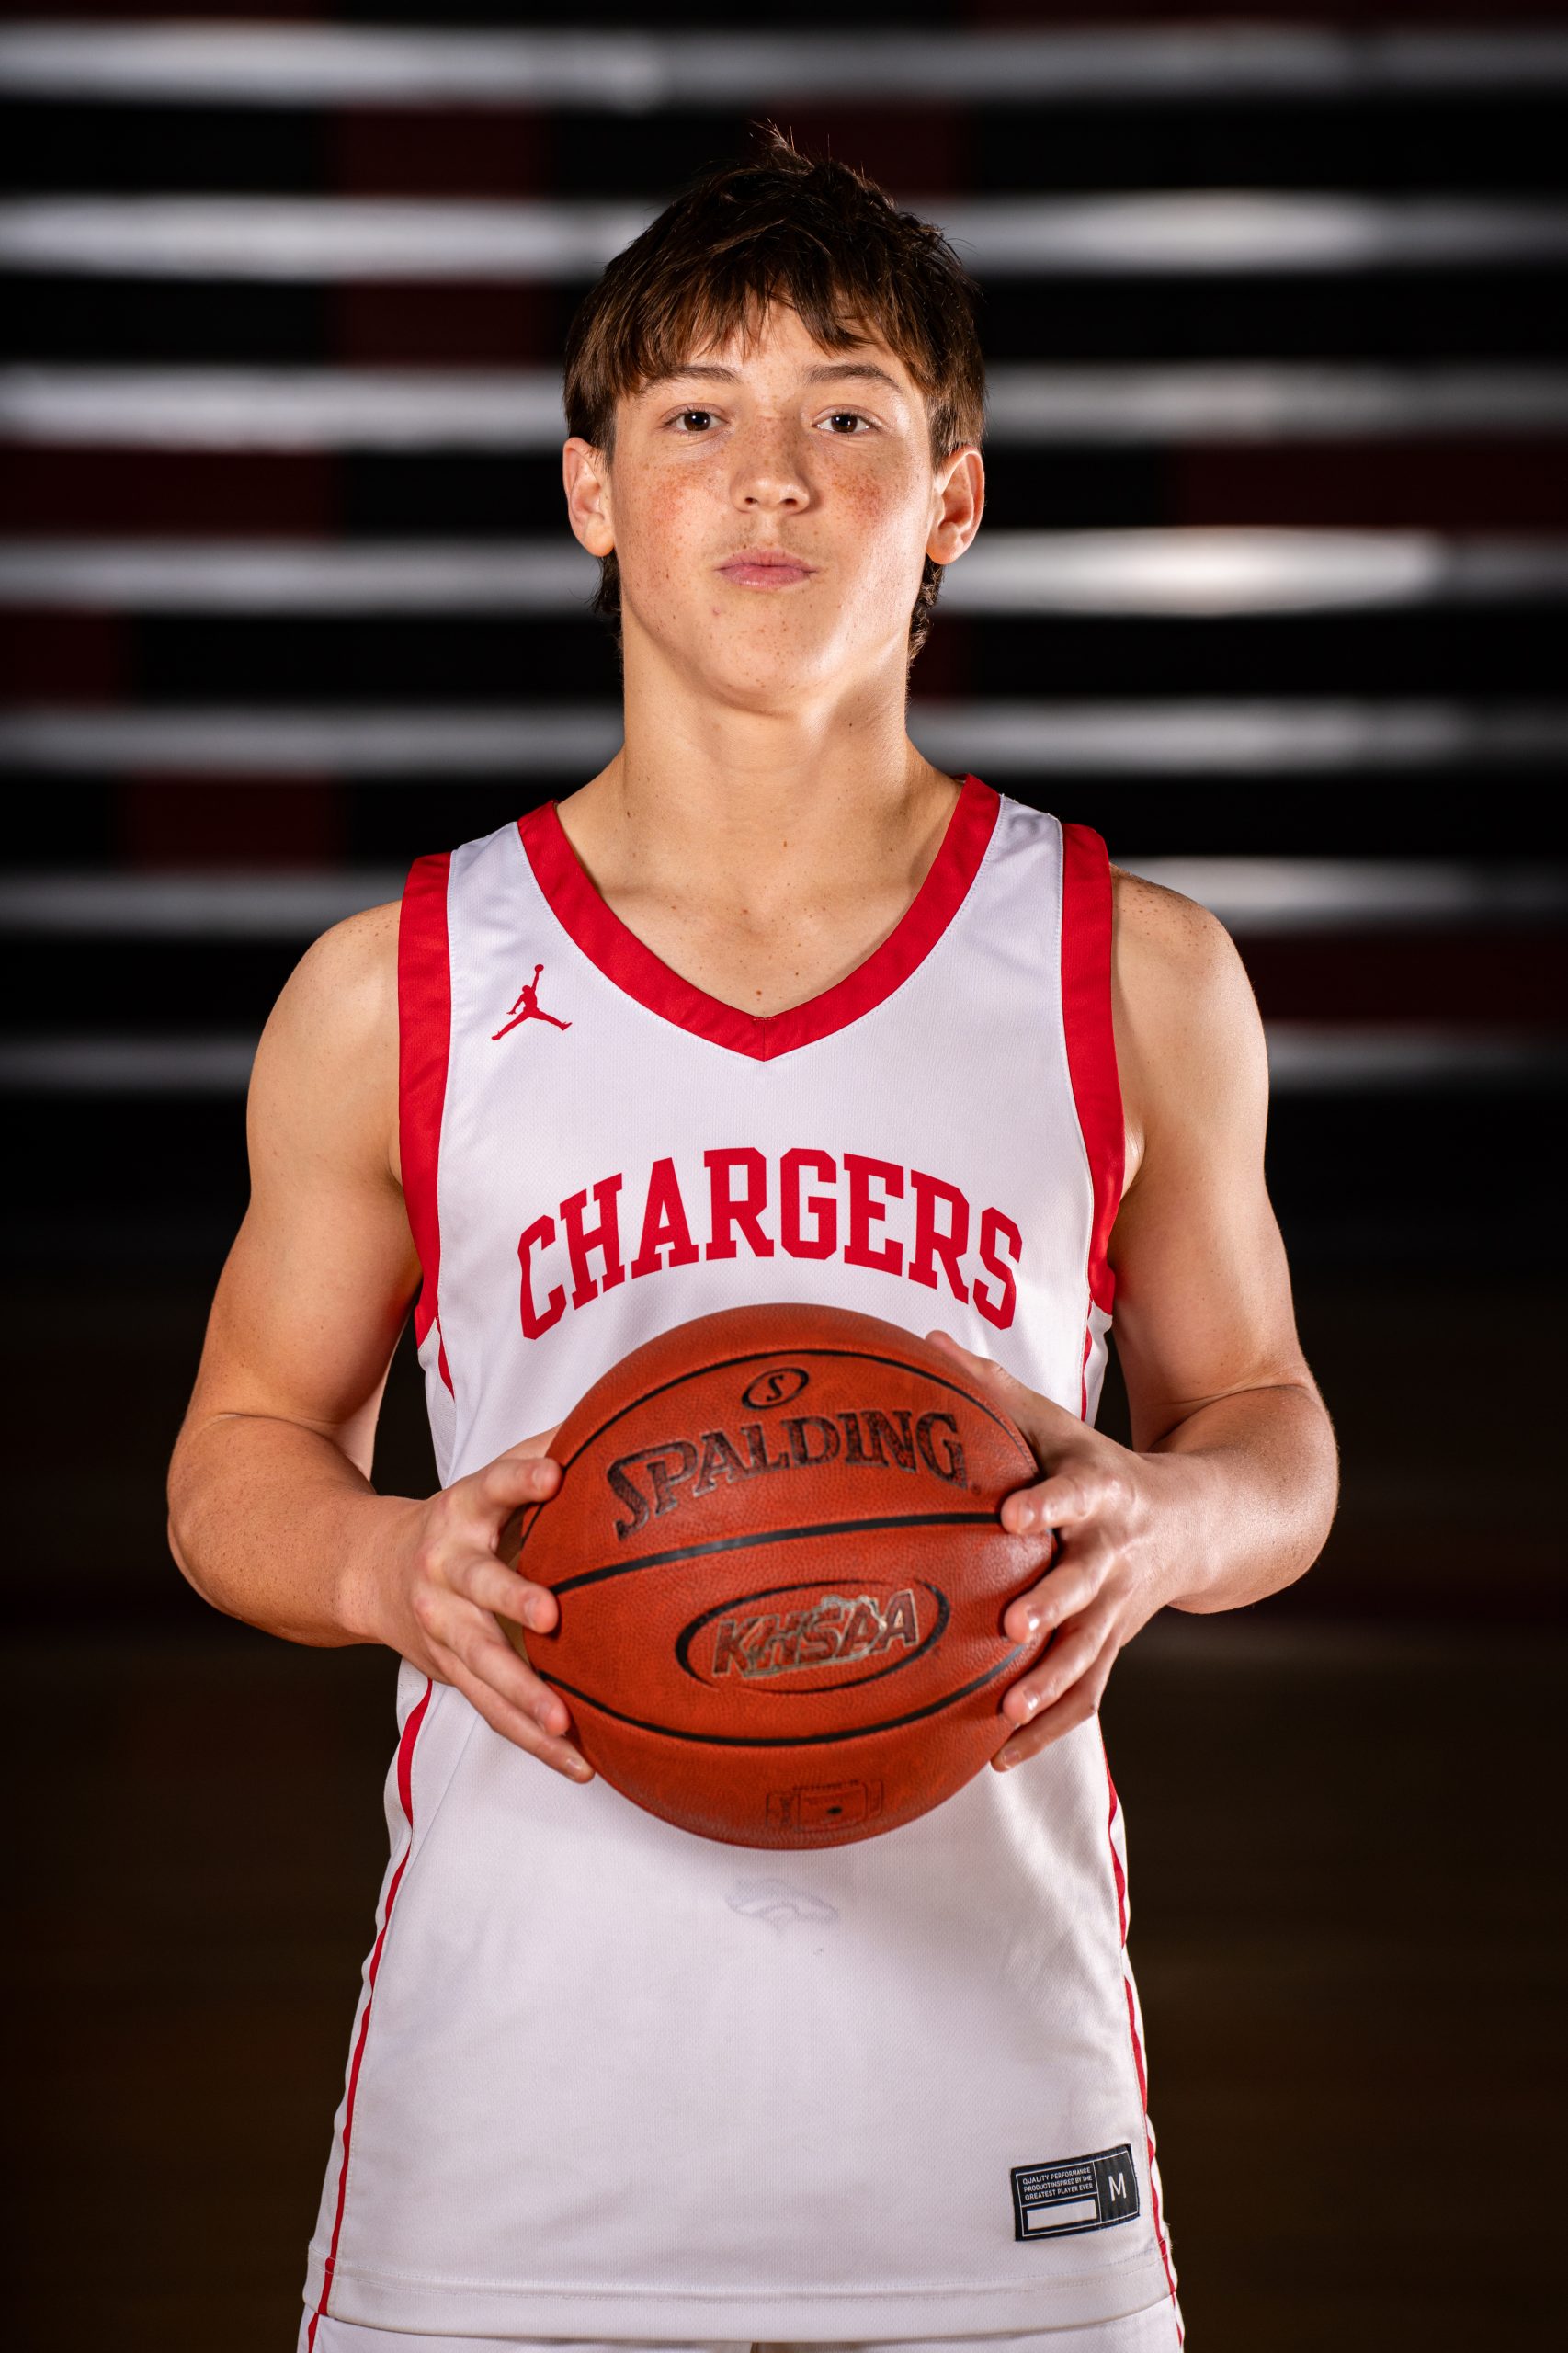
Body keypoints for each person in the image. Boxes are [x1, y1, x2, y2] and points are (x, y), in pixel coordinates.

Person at [167, 134, 1337, 2353]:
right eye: (695, 410)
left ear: (952, 497)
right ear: (593, 490)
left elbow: (1272, 1427)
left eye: (848, 414)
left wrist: (1173, 1515)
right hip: (508, 2142)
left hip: (999, 2118)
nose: (772, 474)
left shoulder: (1128, 967)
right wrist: (387, 1564)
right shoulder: (395, 987)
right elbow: (233, 1460)